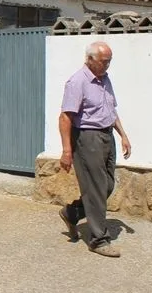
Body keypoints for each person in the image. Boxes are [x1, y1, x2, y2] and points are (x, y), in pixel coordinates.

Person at [56, 41, 132, 257]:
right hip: (87, 138)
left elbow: (111, 109)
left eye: (109, 61)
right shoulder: (77, 82)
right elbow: (65, 117)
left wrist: (122, 134)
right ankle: (98, 239)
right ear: (89, 59)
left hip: (107, 135)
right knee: (97, 188)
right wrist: (67, 150)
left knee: (107, 185)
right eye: (104, 61)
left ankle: (72, 213)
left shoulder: (105, 80)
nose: (107, 65)